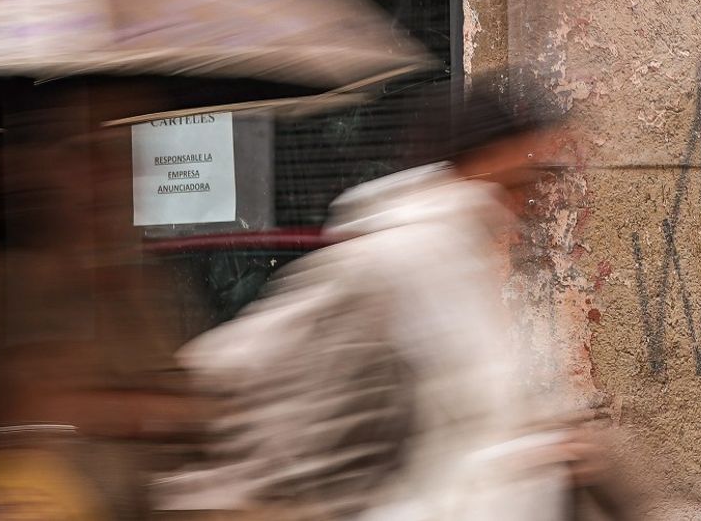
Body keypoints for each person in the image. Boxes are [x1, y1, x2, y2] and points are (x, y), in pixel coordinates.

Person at [164, 68, 622, 520]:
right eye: (530, 166)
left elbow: (463, 422)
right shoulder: (398, 256)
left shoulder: (460, 255)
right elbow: (294, 409)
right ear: (486, 157)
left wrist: (538, 452)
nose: (540, 187)